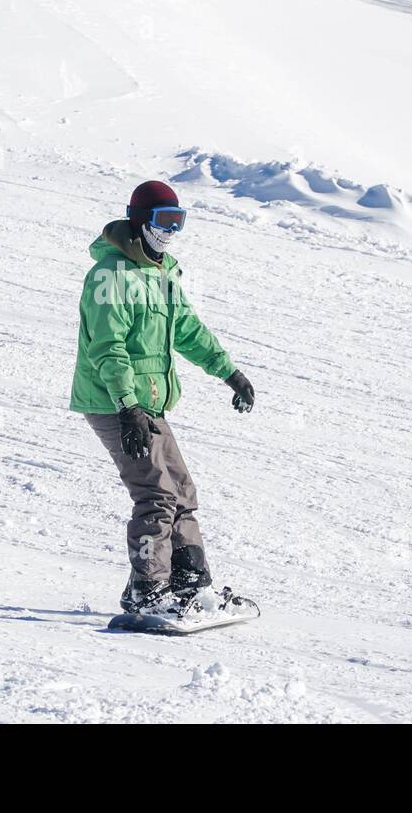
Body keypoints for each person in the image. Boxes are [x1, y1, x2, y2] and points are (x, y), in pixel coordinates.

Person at [70, 180, 256, 614]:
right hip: (113, 400)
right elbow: (107, 347)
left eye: (178, 221)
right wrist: (126, 405)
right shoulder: (110, 276)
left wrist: (229, 372)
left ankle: (189, 582)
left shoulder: (162, 274)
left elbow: (189, 331)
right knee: (156, 494)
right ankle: (147, 592)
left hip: (146, 403)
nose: (170, 231)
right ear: (139, 219)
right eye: (162, 220)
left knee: (182, 491)